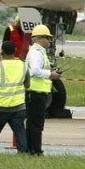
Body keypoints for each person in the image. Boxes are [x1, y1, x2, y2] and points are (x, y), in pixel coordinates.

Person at [25, 24, 61, 156]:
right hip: (36, 93)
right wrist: (50, 75)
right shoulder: (36, 53)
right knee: (36, 124)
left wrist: (50, 72)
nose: (49, 40)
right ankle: (36, 150)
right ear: (40, 38)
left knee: (32, 123)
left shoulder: (39, 52)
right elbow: (35, 71)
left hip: (35, 93)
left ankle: (30, 149)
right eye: (47, 38)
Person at [0, 41, 30, 153]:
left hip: (0, 106)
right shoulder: (23, 65)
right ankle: (23, 152)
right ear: (15, 51)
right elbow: (27, 84)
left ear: (2, 52)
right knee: (20, 131)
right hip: (18, 106)